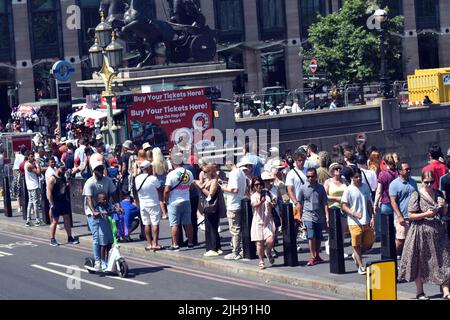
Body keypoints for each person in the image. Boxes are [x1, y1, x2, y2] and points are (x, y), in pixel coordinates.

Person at [398, 170, 450, 300]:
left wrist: (444, 207)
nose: (429, 184)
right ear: (422, 181)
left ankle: (446, 291)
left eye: (432, 182)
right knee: (420, 262)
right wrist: (426, 214)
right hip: (420, 232)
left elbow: (443, 213)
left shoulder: (438, 193)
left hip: (438, 232)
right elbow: (410, 215)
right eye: (426, 182)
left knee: (444, 260)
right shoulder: (417, 195)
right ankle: (420, 292)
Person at [83, 160, 121, 271]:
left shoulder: (108, 181)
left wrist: (118, 206)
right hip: (92, 213)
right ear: (93, 171)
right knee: (96, 238)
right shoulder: (89, 183)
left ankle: (106, 260)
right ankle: (98, 261)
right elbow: (89, 199)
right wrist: (94, 211)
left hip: (105, 211)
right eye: (98, 169)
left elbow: (114, 195)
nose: (100, 171)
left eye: (101, 169)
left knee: (108, 237)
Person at [341, 169, 376, 275]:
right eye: (356, 177)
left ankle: (356, 254)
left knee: (369, 243)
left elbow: (369, 202)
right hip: (354, 222)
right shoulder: (348, 190)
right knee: (356, 245)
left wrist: (373, 216)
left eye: (360, 176)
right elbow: (343, 205)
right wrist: (353, 213)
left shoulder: (365, 187)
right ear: (352, 178)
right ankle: (361, 266)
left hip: (366, 220)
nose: (359, 178)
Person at [164, 152, 195, 251]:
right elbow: (192, 187)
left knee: (174, 224)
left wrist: (166, 200)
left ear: (174, 162)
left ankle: (175, 245)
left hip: (174, 201)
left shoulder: (171, 174)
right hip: (186, 200)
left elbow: (167, 189)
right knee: (188, 223)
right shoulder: (189, 173)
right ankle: (190, 242)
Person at [298, 168, 329, 266]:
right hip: (307, 215)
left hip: (319, 215)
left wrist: (327, 216)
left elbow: (325, 202)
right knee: (311, 236)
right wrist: (300, 215)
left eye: (312, 176)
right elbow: (299, 202)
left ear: (316, 177)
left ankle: (317, 255)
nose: (310, 178)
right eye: (308, 176)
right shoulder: (303, 188)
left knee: (318, 237)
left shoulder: (321, 188)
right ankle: (312, 256)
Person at [389, 162, 418, 257]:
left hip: (413, 216)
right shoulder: (394, 184)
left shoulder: (413, 182)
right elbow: (393, 201)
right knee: (401, 240)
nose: (409, 170)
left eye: (409, 168)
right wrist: (399, 216)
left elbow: (417, 197)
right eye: (406, 169)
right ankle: (393, 256)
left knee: (412, 240)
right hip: (402, 217)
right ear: (400, 171)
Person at [193, 164, 223, 257]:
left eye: (206, 171)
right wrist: (197, 185)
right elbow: (202, 192)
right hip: (208, 207)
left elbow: (210, 195)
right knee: (210, 227)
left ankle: (213, 248)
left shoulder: (214, 181)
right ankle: (217, 247)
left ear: (211, 172)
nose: (203, 173)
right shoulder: (208, 181)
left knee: (211, 228)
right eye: (203, 171)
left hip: (212, 207)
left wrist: (201, 187)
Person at [47, 162, 79, 246]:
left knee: (67, 219)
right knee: (55, 221)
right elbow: (49, 192)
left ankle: (69, 237)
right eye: (62, 169)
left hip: (63, 201)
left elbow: (67, 185)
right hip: (56, 202)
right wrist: (52, 204)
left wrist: (69, 178)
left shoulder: (63, 177)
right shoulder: (52, 179)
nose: (64, 171)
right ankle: (52, 239)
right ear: (57, 168)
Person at [221, 158, 246, 260]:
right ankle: (242, 250)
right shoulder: (241, 172)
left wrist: (223, 188)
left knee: (235, 230)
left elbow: (234, 189)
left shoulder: (233, 173)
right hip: (240, 202)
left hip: (233, 204)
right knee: (240, 229)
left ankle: (235, 252)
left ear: (229, 162)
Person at [135, 160, 162, 251]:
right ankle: (155, 243)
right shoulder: (153, 178)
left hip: (143, 204)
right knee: (155, 224)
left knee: (146, 224)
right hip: (153, 203)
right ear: (149, 168)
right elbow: (159, 188)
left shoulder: (137, 178)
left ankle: (149, 243)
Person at [324, 162, 349, 257]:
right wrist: (336, 198)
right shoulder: (328, 182)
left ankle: (341, 250)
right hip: (333, 208)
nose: (338, 170)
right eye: (336, 169)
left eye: (339, 168)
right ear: (332, 171)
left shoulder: (344, 180)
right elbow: (324, 196)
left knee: (342, 231)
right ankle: (331, 245)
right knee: (333, 230)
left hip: (343, 208)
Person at [250, 177, 276, 270]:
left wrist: (272, 204)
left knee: (270, 240)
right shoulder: (253, 196)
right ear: (253, 186)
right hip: (258, 221)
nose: (258, 186)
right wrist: (261, 202)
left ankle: (268, 253)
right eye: (256, 185)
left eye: (260, 184)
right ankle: (261, 261)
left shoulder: (267, 193)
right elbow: (254, 205)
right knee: (259, 243)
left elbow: (274, 201)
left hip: (268, 220)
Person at [286, 150, 307, 249]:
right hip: (296, 204)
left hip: (307, 203)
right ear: (295, 161)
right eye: (299, 160)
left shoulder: (307, 170)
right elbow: (289, 190)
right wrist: (295, 202)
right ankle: (294, 243)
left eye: (303, 160)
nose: (301, 162)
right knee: (295, 226)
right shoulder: (291, 173)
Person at [374, 153, 398, 239]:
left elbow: (379, 191)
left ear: (384, 162)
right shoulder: (398, 173)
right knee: (396, 227)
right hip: (397, 202)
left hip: (386, 202)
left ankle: (387, 246)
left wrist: (375, 204)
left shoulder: (382, 174)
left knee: (386, 228)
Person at [94, 193, 115, 271]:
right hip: (102, 230)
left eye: (106, 199)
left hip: (109, 228)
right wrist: (99, 214)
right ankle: (103, 262)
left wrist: (118, 210)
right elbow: (95, 215)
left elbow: (113, 209)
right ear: (99, 200)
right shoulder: (97, 207)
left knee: (109, 244)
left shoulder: (108, 205)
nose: (105, 200)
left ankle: (108, 260)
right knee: (103, 246)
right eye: (103, 199)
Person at [24, 150, 43, 227]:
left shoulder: (27, 164)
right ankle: (37, 220)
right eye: (31, 156)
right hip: (33, 186)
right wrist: (38, 165)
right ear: (28, 157)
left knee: (30, 202)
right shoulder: (29, 165)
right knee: (35, 202)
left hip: (30, 186)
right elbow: (38, 173)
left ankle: (28, 220)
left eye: (33, 156)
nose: (33, 158)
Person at [152, 147, 169, 220]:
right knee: (167, 197)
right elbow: (167, 171)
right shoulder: (164, 161)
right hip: (165, 180)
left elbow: (154, 174)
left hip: (158, 181)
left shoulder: (154, 163)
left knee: (160, 199)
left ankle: (164, 214)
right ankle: (169, 212)